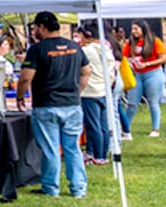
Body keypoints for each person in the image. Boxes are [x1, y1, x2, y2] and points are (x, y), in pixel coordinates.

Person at [18, 12, 90, 198]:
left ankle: (51, 188)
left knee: (51, 149)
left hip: (46, 105)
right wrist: (76, 92)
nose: (34, 31)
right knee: (72, 148)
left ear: (42, 27)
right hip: (72, 104)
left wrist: (20, 97)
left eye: (34, 28)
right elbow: (86, 72)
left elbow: (26, 77)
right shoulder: (75, 47)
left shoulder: (37, 49)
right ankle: (78, 188)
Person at [123, 20, 166, 138]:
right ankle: (126, 129)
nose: (134, 32)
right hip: (137, 74)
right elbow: (124, 56)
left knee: (153, 102)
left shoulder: (155, 41)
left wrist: (148, 64)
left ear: (143, 29)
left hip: (153, 73)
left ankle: (155, 129)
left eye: (136, 29)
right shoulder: (130, 42)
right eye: (132, 29)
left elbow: (163, 58)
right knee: (132, 103)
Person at [77, 27, 113, 166]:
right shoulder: (106, 49)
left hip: (90, 91)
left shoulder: (87, 51)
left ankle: (97, 155)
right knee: (103, 125)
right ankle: (102, 154)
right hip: (103, 90)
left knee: (93, 125)